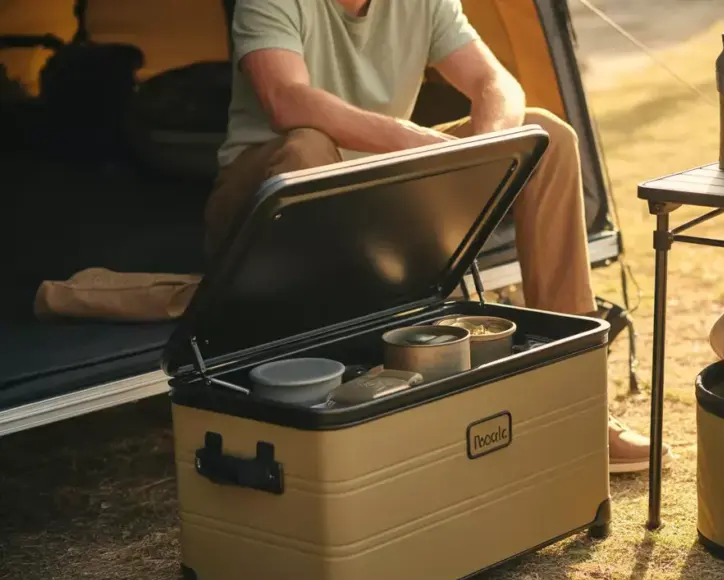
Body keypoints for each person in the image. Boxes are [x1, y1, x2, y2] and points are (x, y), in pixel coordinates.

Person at [205, 0, 673, 474]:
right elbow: (286, 99)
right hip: (263, 207)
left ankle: (577, 401)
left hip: (372, 186)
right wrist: (414, 141)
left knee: (546, 135)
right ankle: (330, 406)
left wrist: (486, 150)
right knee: (309, 147)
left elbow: (496, 82)